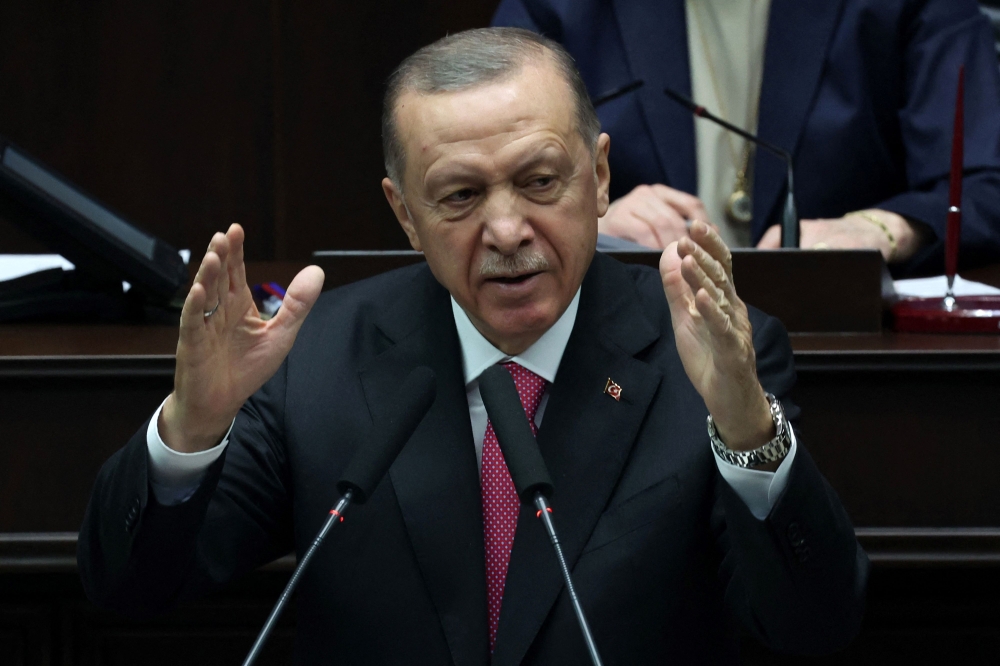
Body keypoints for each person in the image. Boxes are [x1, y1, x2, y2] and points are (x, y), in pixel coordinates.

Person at [78, 28, 867, 663]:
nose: (507, 231)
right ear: (404, 215)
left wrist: (749, 435)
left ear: (598, 177)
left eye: (540, 181)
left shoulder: (713, 353)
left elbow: (813, 626)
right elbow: (132, 590)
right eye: (459, 195)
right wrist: (191, 429)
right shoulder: (320, 358)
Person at [492, 0, 1000, 276]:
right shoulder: (555, 7)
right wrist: (585, 218)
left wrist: (884, 230)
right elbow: (485, 168)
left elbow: (984, 183)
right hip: (629, 334)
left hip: (842, 337)